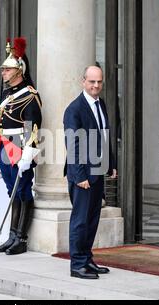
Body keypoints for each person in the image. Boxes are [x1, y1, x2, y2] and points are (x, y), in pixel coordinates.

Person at [63, 65, 117, 280]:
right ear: (83, 81)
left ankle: (87, 259)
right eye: (92, 82)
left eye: (99, 82)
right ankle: (77, 265)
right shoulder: (74, 109)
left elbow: (105, 135)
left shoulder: (100, 103)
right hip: (83, 175)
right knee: (80, 220)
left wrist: (110, 163)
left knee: (93, 219)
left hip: (97, 170)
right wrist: (79, 176)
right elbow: (73, 145)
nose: (96, 86)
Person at [0, 38, 42, 255]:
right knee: (11, 190)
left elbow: (33, 127)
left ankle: (21, 238)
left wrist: (27, 155)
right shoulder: (6, 94)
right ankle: (11, 234)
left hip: (19, 147)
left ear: (19, 70)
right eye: (3, 69)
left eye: (7, 69)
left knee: (22, 191)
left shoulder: (30, 95)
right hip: (4, 145)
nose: (3, 72)